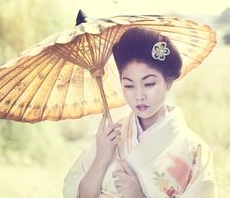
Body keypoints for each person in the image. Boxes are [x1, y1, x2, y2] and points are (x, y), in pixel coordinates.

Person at [62, 27, 217, 198]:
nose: (139, 96)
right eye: (129, 85)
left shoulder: (194, 150)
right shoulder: (110, 138)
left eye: (149, 84)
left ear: (168, 82)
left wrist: (136, 195)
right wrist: (101, 158)